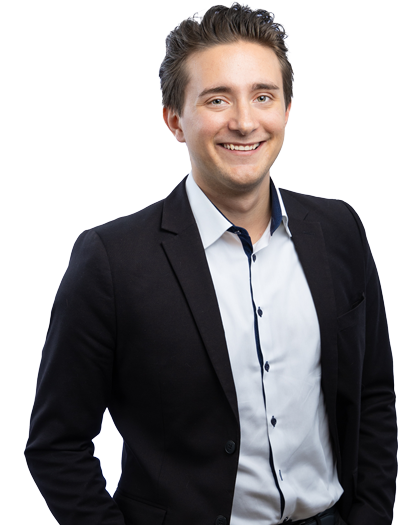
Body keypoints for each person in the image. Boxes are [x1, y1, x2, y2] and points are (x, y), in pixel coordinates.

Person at [25, 3, 397, 525]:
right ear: (175, 120)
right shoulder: (111, 261)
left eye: (263, 96)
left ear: (287, 109)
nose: (244, 122)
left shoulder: (339, 231)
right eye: (218, 99)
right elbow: (57, 445)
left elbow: (372, 395)